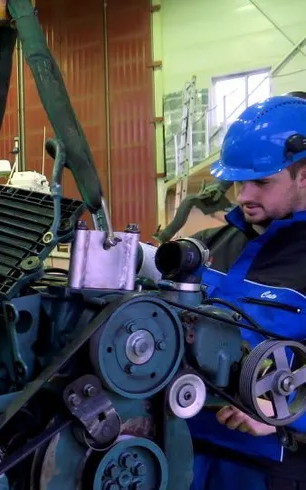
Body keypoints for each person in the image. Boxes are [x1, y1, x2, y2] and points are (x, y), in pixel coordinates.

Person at [182, 95, 306, 490]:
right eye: (238, 181)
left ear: (303, 174)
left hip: (268, 468)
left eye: (262, 182)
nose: (244, 196)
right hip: (186, 452)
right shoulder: (208, 245)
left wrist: (284, 411)